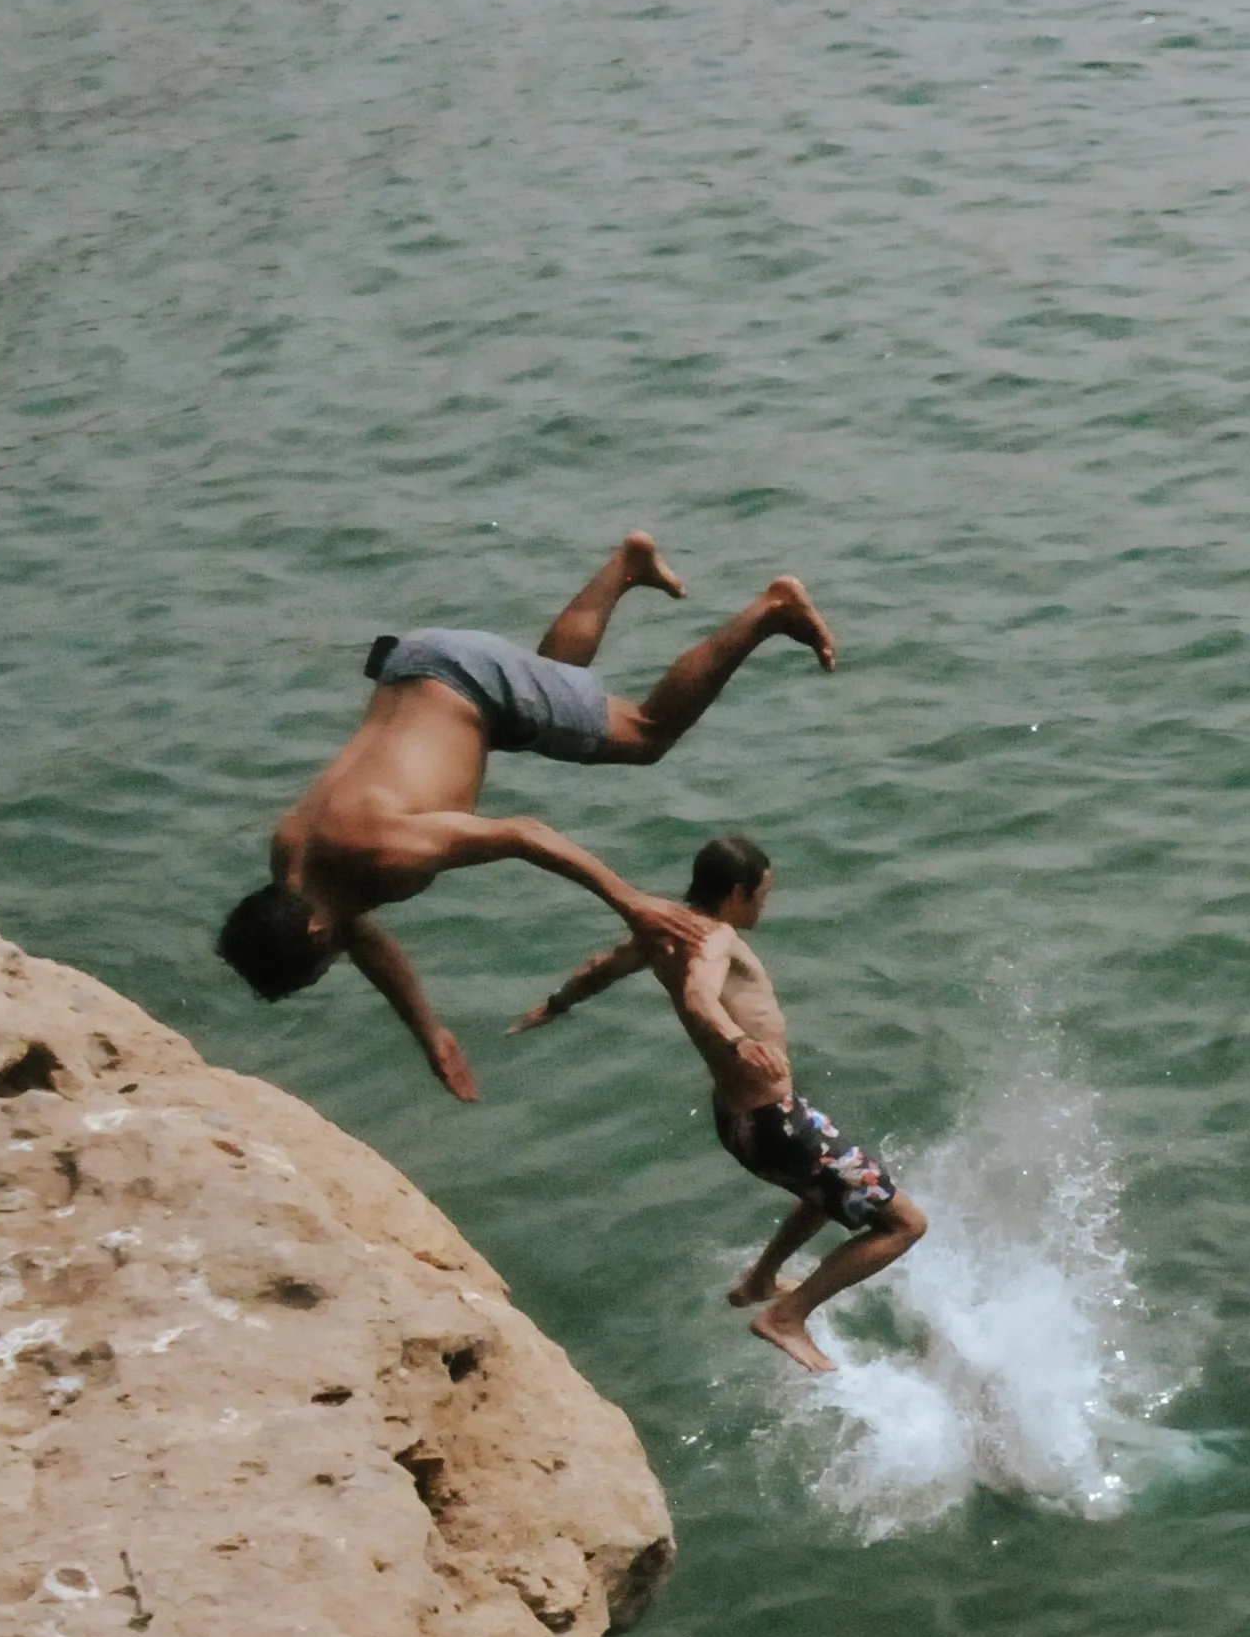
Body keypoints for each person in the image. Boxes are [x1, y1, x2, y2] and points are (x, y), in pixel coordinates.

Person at [219, 533, 838, 1099]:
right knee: (554, 690)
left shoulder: (384, 848)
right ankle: (627, 566)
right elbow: (360, 936)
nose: (334, 964)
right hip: (419, 672)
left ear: (314, 936)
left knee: (648, 734)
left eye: (320, 968)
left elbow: (523, 834)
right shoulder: (293, 864)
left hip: (468, 681)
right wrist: (431, 1033)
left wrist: (630, 902)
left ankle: (771, 610)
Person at [516, 834, 924, 1373]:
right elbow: (697, 996)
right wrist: (739, 1041)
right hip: (775, 1122)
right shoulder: (716, 937)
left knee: (825, 1190)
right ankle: (786, 1318)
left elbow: (601, 967)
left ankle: (759, 1281)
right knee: (903, 1225)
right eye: (762, 893)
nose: (764, 904)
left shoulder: (664, 931)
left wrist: (554, 1004)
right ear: (737, 892)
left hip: (740, 1121)